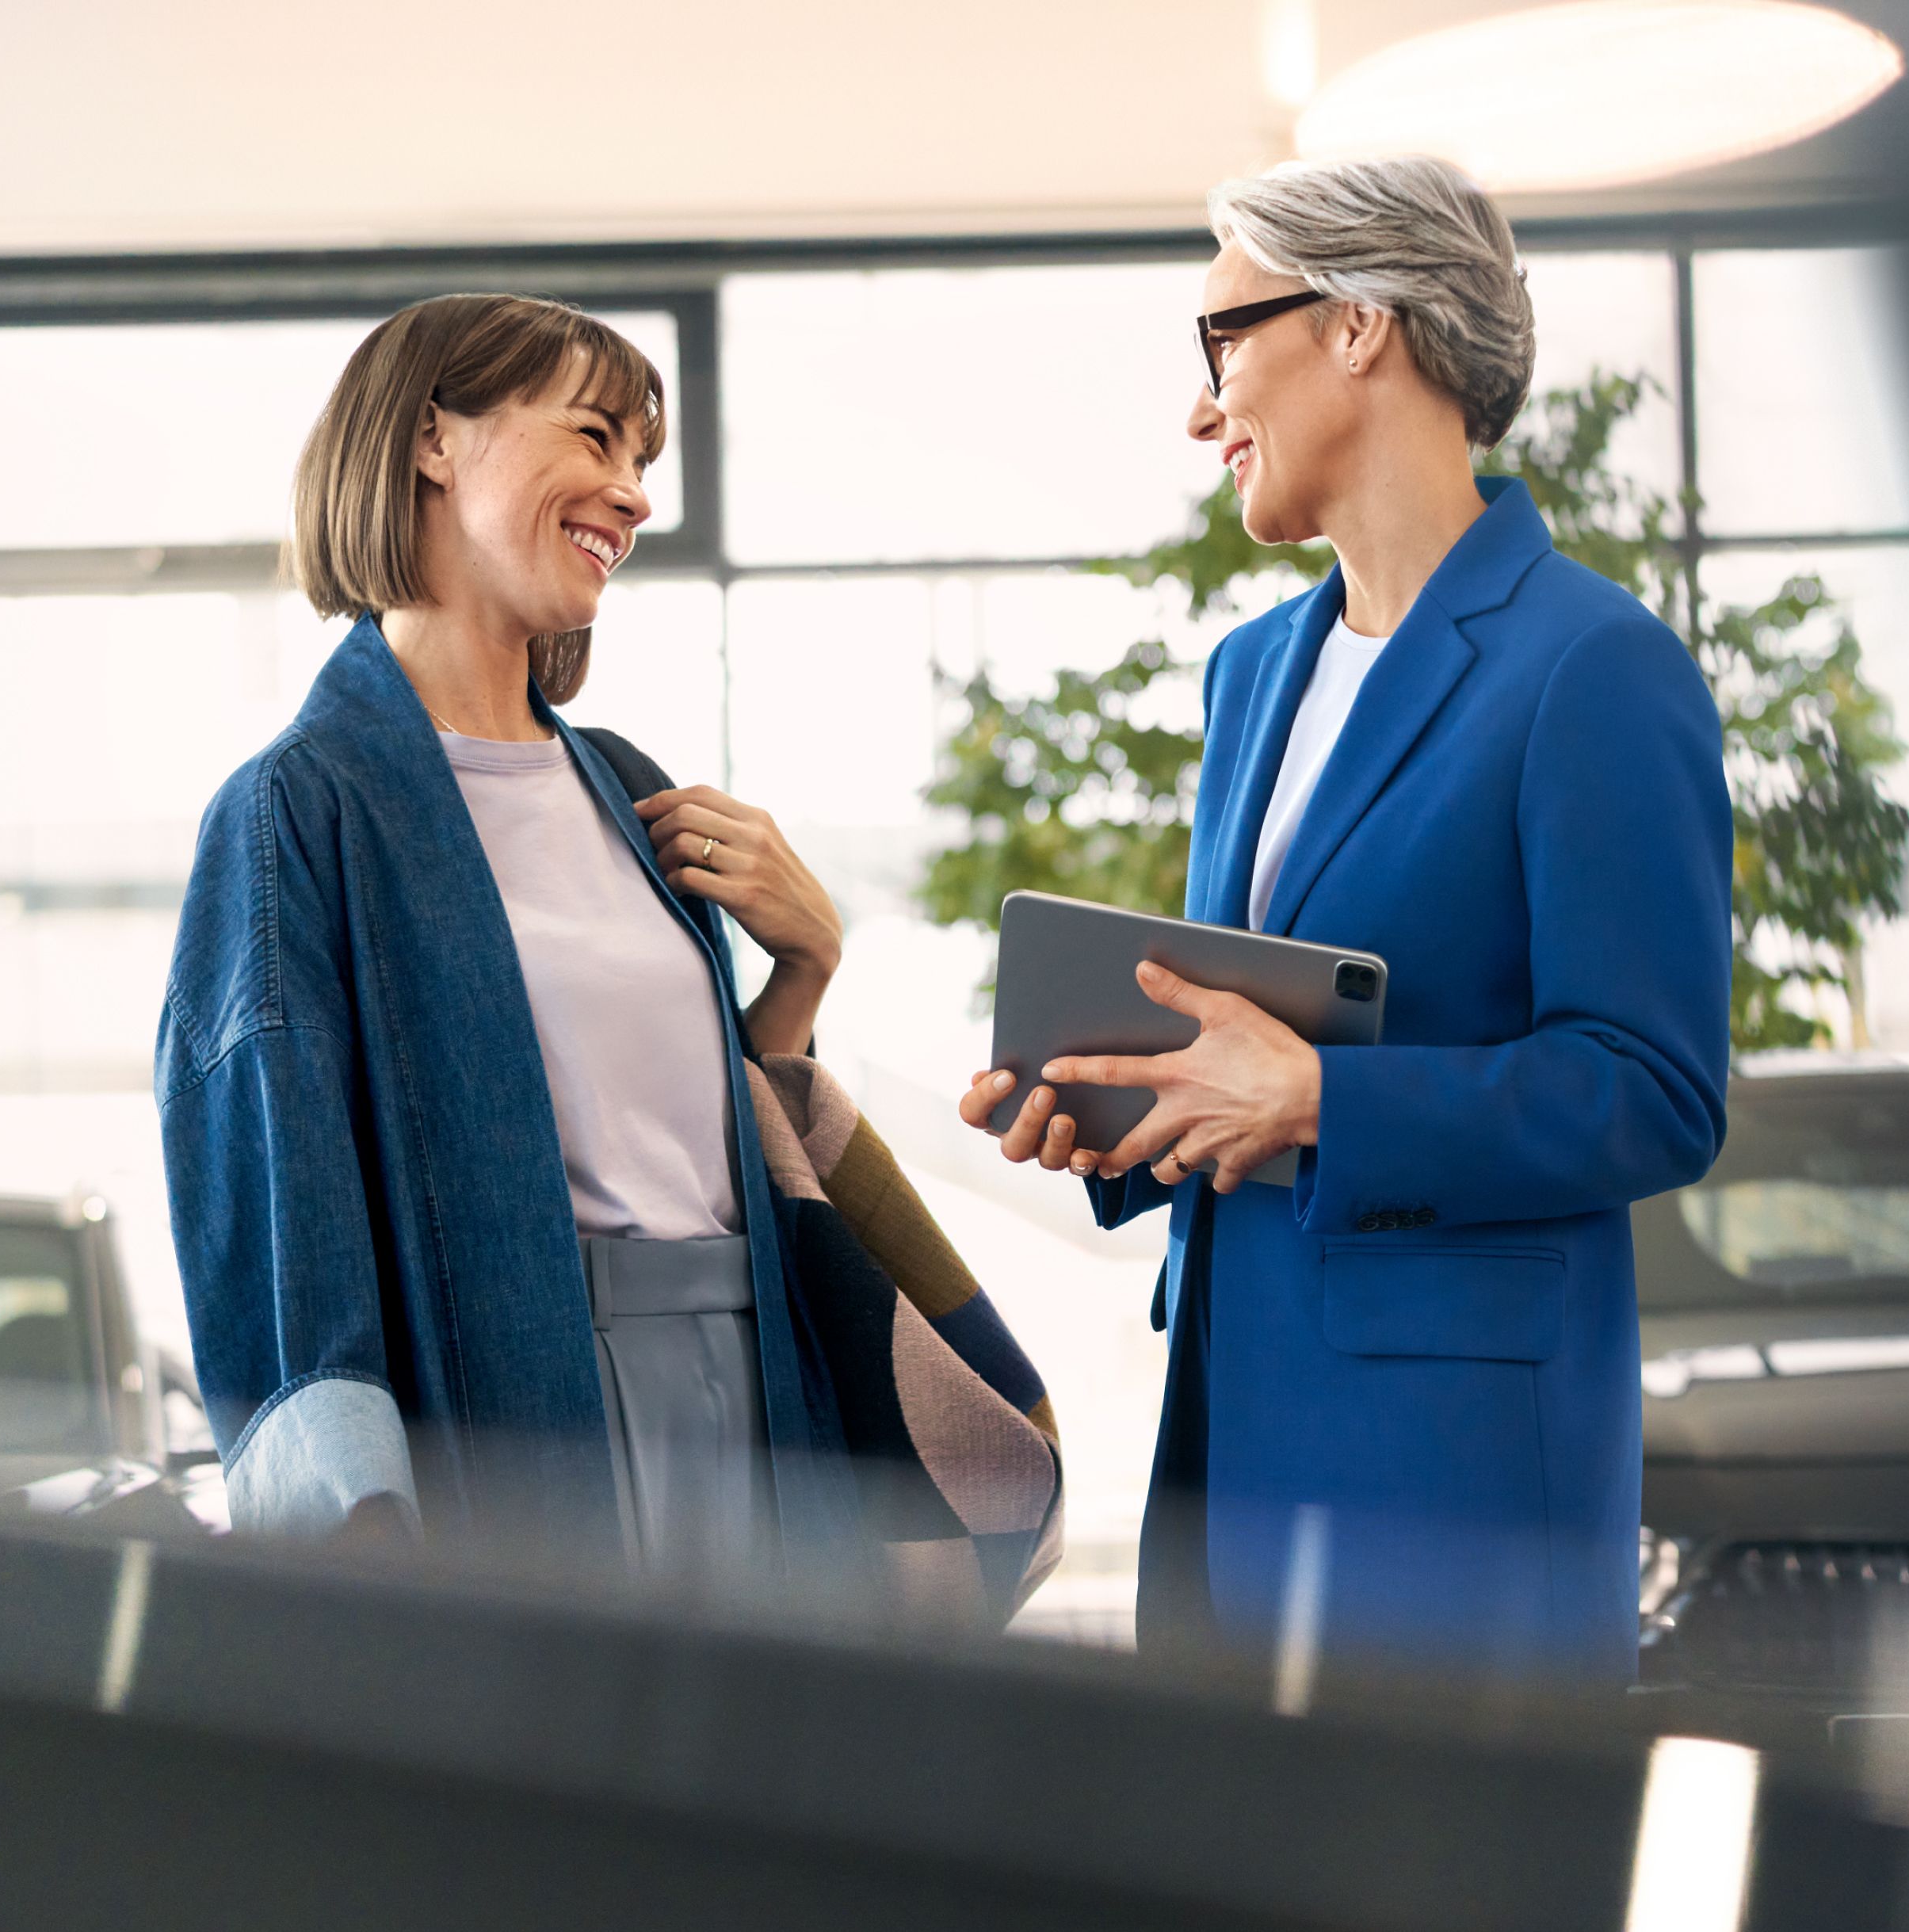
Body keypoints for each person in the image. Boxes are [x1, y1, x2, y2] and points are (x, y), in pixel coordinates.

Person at [960, 158, 1731, 1678]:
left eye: (1224, 344)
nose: (1202, 410)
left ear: (1363, 323)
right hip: (1232, 1426)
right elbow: (1248, 1040)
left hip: (1454, 1479)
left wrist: (1319, 1097)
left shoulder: (1594, 669)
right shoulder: (1254, 675)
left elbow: (1656, 1093)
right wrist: (1131, 1113)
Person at [158, 295, 850, 1581]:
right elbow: (276, 1228)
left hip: (756, 1405)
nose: (633, 496)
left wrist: (803, 968)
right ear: (432, 441)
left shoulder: (631, 789)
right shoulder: (295, 813)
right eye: (596, 438)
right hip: (510, 1433)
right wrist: (359, 1540)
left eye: (643, 463)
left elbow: (699, 1154)